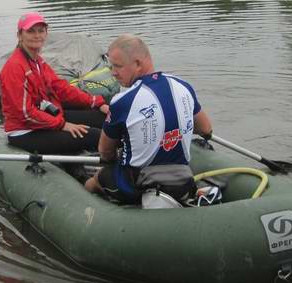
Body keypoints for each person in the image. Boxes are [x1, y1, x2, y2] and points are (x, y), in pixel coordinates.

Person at [86, 34, 213, 204]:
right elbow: (206, 129)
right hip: (182, 182)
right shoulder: (183, 86)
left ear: (138, 64)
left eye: (117, 66)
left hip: (137, 186)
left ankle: (91, 210)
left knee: (95, 180)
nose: (113, 73)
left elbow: (105, 152)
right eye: (111, 66)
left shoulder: (123, 100)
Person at [0, 12, 109, 155]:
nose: (37, 35)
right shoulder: (15, 68)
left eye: (41, 30)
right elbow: (25, 114)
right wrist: (62, 125)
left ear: (46, 33)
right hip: (26, 132)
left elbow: (60, 88)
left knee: (104, 118)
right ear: (20, 35)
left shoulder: (38, 61)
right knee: (98, 136)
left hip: (45, 120)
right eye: (30, 31)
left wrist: (97, 102)